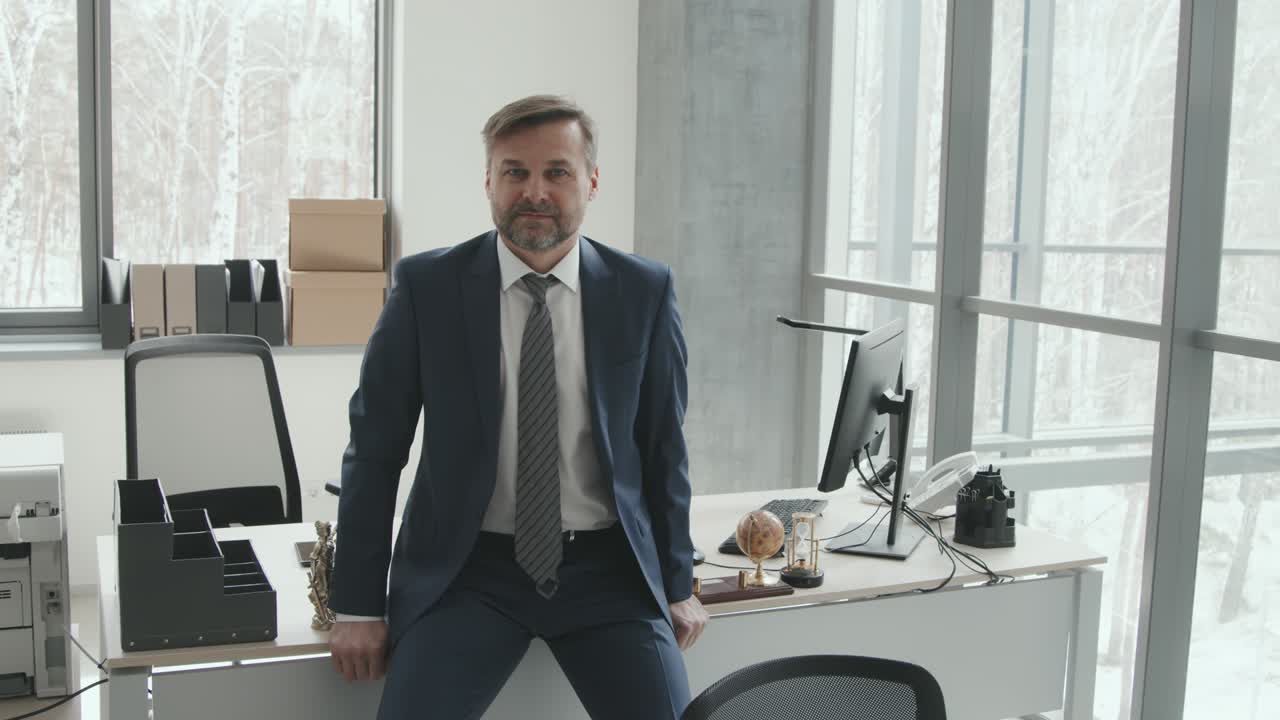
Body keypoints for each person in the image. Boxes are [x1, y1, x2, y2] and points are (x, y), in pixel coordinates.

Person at [326, 94, 709, 720]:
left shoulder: (643, 291)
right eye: (515, 172)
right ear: (489, 182)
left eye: (556, 172)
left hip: (606, 572)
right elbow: (373, 451)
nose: (535, 191)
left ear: (590, 181)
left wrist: (676, 582)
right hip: (470, 572)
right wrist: (358, 606)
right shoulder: (427, 290)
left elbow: (663, 446)